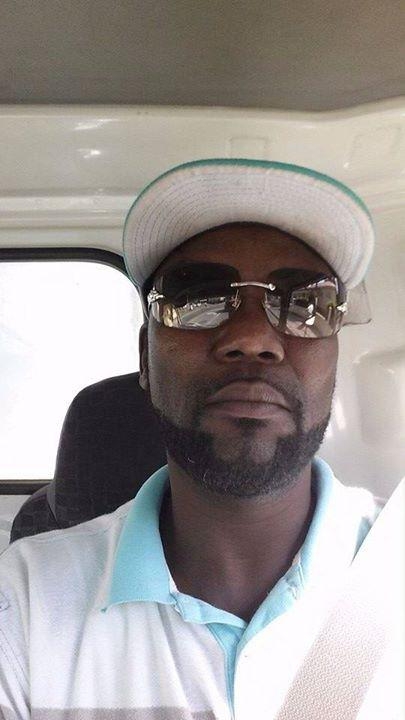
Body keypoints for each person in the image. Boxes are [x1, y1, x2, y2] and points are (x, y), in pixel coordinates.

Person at [0, 159, 388, 719]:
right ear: (145, 358)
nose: (252, 337)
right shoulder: (23, 604)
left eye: (305, 304)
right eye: (197, 298)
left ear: (335, 357)